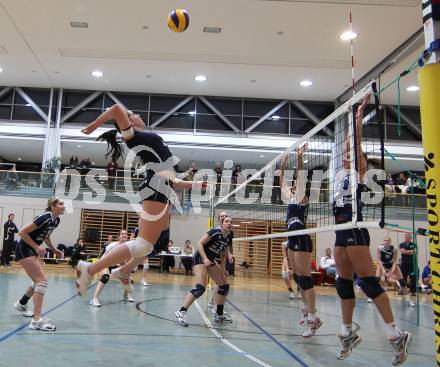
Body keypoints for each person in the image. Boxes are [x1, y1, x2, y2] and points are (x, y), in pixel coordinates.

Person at [77, 104, 206, 296]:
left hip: (162, 188)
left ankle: (124, 271)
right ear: (129, 122)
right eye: (135, 114)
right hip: (155, 188)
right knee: (143, 245)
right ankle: (91, 269)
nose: (139, 115)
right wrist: (95, 125)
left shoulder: (149, 139)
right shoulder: (132, 136)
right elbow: (116, 109)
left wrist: (193, 186)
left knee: (153, 241)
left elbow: (172, 178)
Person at [332, 95, 411, 364]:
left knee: (367, 282)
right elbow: (346, 146)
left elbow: (354, 145)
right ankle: (346, 332)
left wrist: (357, 117)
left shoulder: (361, 173)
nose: (345, 156)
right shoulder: (340, 176)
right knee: (343, 284)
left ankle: (395, 334)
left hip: (355, 230)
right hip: (340, 231)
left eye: (349, 154)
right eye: (343, 154)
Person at [280, 143, 321, 338]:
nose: (295, 185)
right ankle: (306, 309)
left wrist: (298, 157)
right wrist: (280, 168)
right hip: (291, 239)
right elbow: (282, 184)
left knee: (305, 278)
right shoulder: (289, 199)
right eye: (293, 184)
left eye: (297, 184)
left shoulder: (302, 198)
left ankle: (314, 319)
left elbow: (301, 176)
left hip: (302, 238)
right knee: (296, 276)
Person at [13, 198, 64, 331]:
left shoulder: (56, 220)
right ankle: (36, 320)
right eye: (61, 203)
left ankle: (22, 303)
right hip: (24, 249)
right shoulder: (44, 218)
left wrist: (53, 249)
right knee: (42, 281)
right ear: (52, 206)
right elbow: (22, 232)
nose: (63, 206)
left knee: (37, 281)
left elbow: (46, 236)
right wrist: (36, 247)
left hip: (31, 250)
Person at [175, 215, 233, 326]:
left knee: (224, 286)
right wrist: (205, 258)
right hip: (200, 258)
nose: (229, 223)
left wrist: (223, 269)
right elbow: (199, 244)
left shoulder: (228, 237)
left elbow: (223, 255)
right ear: (221, 224)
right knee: (200, 288)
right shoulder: (215, 232)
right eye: (226, 221)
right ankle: (181, 312)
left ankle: (218, 314)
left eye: (231, 222)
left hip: (211, 260)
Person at [89, 229, 134, 307]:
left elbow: (122, 260)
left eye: (126, 234)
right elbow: (104, 257)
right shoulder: (113, 245)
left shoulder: (127, 248)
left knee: (130, 278)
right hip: (105, 263)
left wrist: (127, 266)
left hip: (115, 264)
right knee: (105, 277)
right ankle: (94, 298)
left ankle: (125, 296)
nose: (124, 235)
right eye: (122, 234)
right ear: (118, 237)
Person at [375, 236, 415, 307]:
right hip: (382, 264)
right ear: (383, 241)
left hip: (391, 264)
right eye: (385, 240)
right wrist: (383, 270)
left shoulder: (394, 249)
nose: (386, 242)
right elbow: (378, 260)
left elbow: (394, 263)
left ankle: (408, 300)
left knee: (402, 282)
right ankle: (371, 297)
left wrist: (391, 272)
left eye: (388, 241)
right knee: (377, 279)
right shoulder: (379, 248)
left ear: (390, 242)